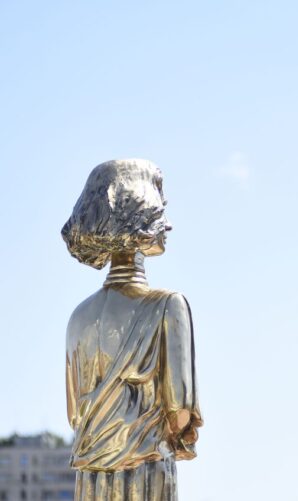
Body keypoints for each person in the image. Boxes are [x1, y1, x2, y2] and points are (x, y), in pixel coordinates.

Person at [62, 159, 202, 501]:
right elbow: (180, 409)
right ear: (139, 217)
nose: (167, 225)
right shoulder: (169, 306)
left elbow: (73, 414)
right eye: (159, 213)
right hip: (148, 469)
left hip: (91, 479)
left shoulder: (78, 317)